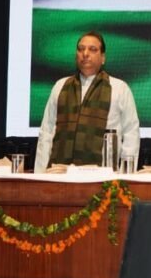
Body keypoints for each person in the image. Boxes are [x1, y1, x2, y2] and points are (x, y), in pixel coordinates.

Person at [35, 31, 140, 173]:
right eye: (81, 49)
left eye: (92, 49)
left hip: (102, 177)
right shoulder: (60, 86)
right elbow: (46, 132)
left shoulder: (119, 88)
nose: (85, 53)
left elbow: (131, 134)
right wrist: (40, 174)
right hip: (59, 174)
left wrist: (124, 176)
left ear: (103, 58)